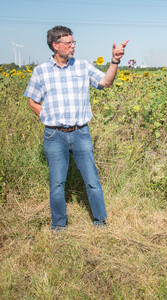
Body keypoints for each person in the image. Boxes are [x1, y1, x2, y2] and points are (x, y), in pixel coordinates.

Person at [24, 25, 129, 230]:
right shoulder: (41, 71)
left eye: (74, 42)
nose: (73, 46)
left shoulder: (82, 66)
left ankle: (100, 222)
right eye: (68, 43)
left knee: (92, 180)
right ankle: (59, 226)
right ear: (55, 45)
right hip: (54, 135)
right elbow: (32, 102)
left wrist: (115, 61)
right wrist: (46, 117)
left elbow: (106, 82)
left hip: (81, 133)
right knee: (56, 185)